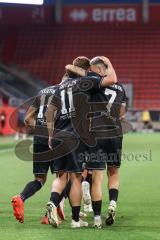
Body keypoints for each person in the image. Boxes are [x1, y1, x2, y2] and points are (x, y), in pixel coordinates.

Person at [46, 57, 117, 228]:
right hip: (76, 135)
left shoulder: (60, 86)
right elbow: (112, 79)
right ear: (86, 69)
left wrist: (50, 135)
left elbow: (50, 111)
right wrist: (107, 62)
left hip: (58, 135)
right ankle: (76, 220)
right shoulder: (86, 82)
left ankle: (52, 203)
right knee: (76, 178)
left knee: (61, 176)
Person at [11, 85, 65, 223]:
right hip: (55, 139)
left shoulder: (41, 92)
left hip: (39, 139)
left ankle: (21, 197)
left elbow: (28, 119)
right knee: (63, 177)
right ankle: (49, 215)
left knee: (39, 180)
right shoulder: (63, 93)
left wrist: (40, 129)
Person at [87, 56, 127, 227]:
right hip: (115, 132)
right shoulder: (121, 88)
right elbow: (123, 113)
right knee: (114, 172)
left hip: (97, 132)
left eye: (92, 69)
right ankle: (113, 203)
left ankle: (97, 218)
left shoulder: (93, 82)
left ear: (100, 69)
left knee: (97, 176)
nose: (90, 72)